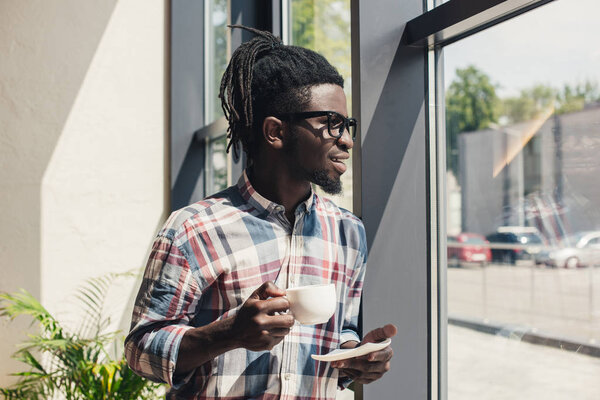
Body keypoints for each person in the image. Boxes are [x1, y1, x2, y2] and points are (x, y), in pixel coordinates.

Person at [125, 25, 396, 399]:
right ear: (275, 132)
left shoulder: (349, 232)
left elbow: (341, 330)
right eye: (331, 124)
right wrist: (229, 333)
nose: (347, 140)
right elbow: (140, 351)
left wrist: (354, 357)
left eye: (347, 125)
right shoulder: (193, 229)